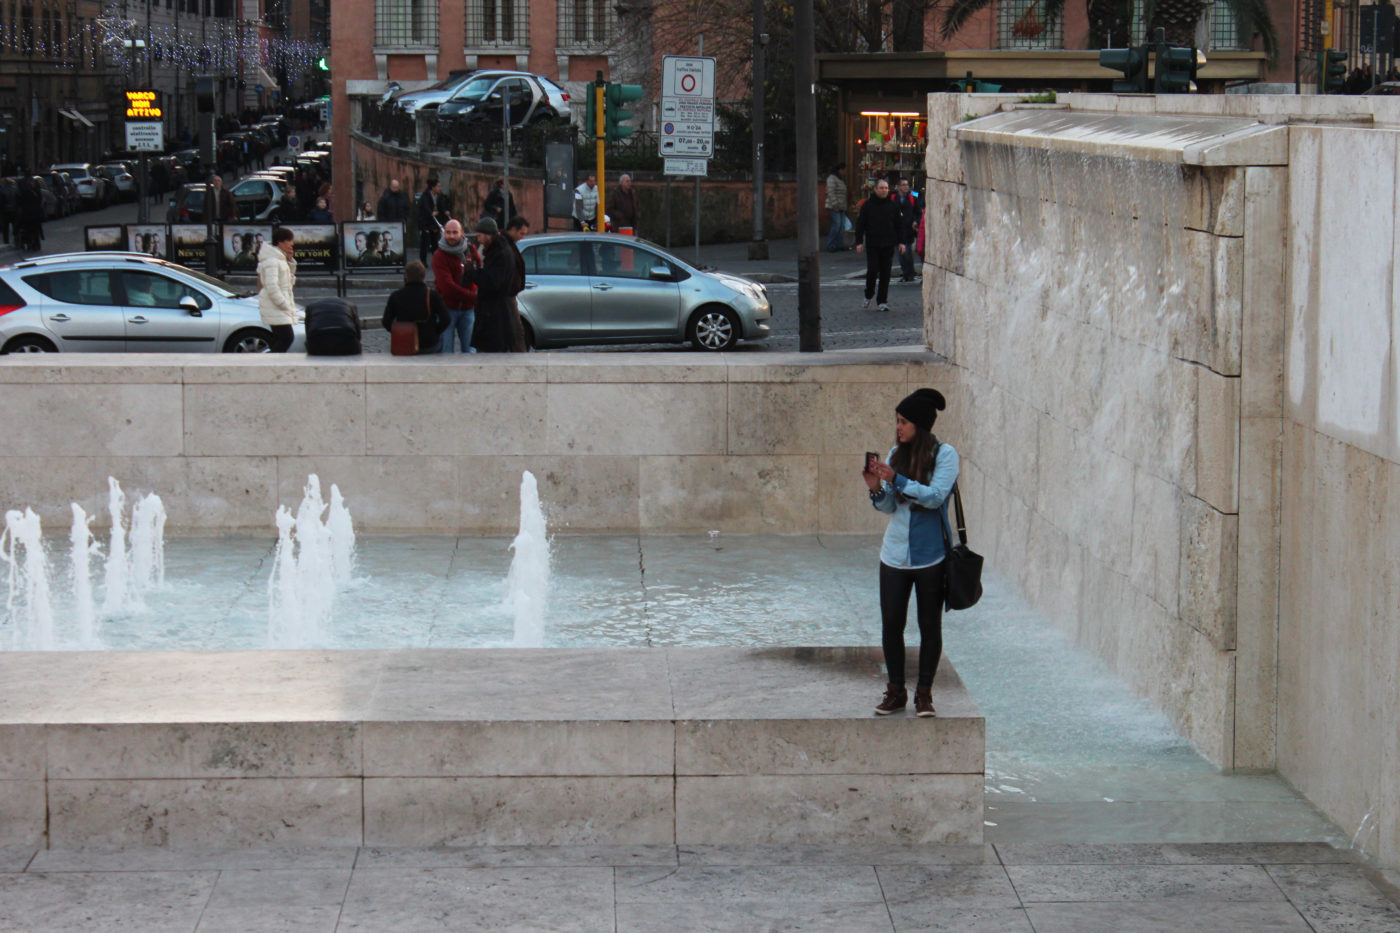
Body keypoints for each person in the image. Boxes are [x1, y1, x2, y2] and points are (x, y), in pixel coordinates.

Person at [862, 388, 959, 718]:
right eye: (897, 421)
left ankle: (924, 694)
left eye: (903, 422)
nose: (898, 428)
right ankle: (896, 690)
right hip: (894, 555)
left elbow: (934, 498)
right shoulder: (894, 453)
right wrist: (876, 488)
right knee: (891, 623)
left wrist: (898, 480)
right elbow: (890, 506)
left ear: (920, 424)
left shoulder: (946, 456)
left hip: (930, 556)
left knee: (929, 625)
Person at [464, 217, 514, 352]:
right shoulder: (497, 250)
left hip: (494, 314)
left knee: (491, 353)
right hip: (492, 311)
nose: (478, 239)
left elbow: (492, 281)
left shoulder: (500, 253)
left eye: (480, 235)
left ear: (488, 234)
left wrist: (472, 272)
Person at [382, 260, 451, 354]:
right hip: (429, 342)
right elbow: (446, 319)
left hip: (405, 342)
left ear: (406, 276)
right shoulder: (432, 295)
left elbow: (386, 321)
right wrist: (435, 332)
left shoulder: (396, 296)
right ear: (423, 276)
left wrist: (399, 332)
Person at [432, 218, 480, 354]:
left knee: (470, 351)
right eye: (448, 232)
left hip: (468, 310)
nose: (451, 236)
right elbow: (447, 287)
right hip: (447, 309)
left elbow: (478, 271)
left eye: (454, 232)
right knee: (446, 351)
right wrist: (473, 297)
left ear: (462, 233)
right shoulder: (439, 256)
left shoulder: (470, 250)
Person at [854, 178, 901, 313]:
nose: (884, 190)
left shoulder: (893, 206)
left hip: (888, 243)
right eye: (881, 188)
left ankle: (882, 301)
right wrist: (858, 241)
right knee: (872, 270)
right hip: (873, 243)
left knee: (886, 273)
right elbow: (860, 224)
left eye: (886, 188)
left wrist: (901, 242)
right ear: (875, 190)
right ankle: (868, 294)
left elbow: (899, 225)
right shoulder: (868, 206)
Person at [257, 227, 298, 353]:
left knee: (280, 339)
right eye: (289, 240)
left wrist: (290, 261)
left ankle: (273, 365)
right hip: (275, 305)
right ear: (280, 242)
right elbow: (271, 286)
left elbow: (289, 283)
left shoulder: (280, 259)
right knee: (286, 338)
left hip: (279, 306)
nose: (292, 244)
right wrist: (283, 304)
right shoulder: (272, 261)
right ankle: (269, 366)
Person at [503, 214, 530, 352]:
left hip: (510, 294)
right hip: (506, 295)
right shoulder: (504, 246)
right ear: (512, 229)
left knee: (517, 332)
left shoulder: (509, 245)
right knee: (515, 332)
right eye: (521, 233)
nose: (522, 237)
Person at [893, 178, 922, 283]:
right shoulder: (893, 197)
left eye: (907, 185)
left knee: (908, 252)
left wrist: (915, 221)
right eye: (903, 185)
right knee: (900, 253)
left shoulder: (913, 196)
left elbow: (918, 212)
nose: (906, 187)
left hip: (908, 228)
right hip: (897, 229)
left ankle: (910, 273)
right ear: (898, 187)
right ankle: (906, 273)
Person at [417, 178, 447, 263]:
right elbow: (425, 207)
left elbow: (442, 206)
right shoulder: (425, 195)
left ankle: (435, 261)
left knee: (435, 242)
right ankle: (423, 261)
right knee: (425, 243)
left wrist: (445, 211)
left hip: (434, 222)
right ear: (432, 187)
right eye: (438, 186)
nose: (439, 188)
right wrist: (431, 212)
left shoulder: (440, 196)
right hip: (425, 222)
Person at [825, 163, 850, 252]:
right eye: (845, 170)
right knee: (837, 225)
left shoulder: (840, 179)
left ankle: (839, 244)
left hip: (841, 206)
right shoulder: (832, 179)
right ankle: (831, 244)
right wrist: (835, 204)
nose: (846, 172)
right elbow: (831, 192)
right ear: (840, 169)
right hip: (834, 206)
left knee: (841, 226)